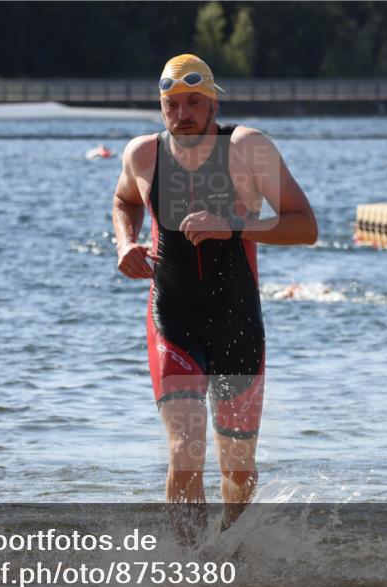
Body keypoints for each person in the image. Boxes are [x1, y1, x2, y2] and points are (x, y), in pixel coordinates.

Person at [110, 54, 317, 528]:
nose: (182, 115)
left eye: (194, 103)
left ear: (213, 102)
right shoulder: (142, 155)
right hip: (173, 322)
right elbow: (124, 199)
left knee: (237, 469)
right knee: (186, 450)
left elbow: (305, 226)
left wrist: (234, 226)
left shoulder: (249, 148)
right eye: (172, 105)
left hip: (237, 322)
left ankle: (230, 560)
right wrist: (124, 244)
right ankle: (189, 577)